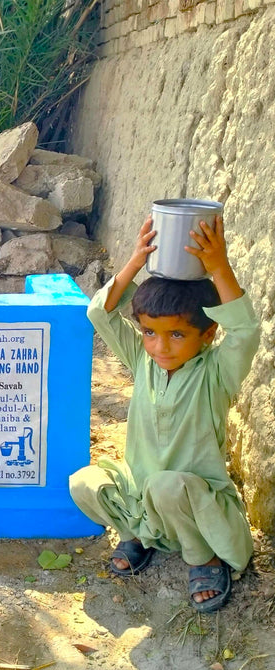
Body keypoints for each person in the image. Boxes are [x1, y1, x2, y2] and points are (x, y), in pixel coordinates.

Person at [69, 215, 259, 613]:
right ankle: (140, 534)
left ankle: (202, 557)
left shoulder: (215, 372)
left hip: (195, 503)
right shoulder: (142, 360)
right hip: (143, 495)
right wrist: (136, 261)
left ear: (207, 334)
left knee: (167, 487)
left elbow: (243, 332)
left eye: (176, 334)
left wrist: (219, 267)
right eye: (150, 332)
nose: (160, 347)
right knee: (84, 482)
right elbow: (99, 313)